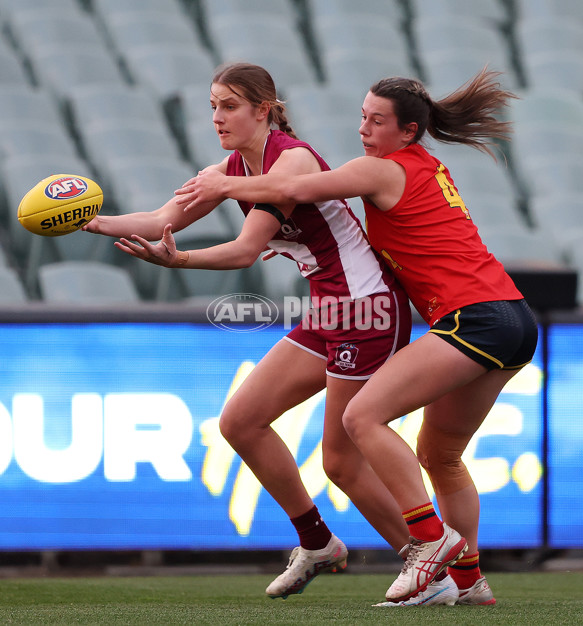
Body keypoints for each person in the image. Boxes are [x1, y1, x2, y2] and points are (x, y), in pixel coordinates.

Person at [176, 67, 539, 607]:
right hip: (513, 319)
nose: (364, 130)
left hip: (475, 318)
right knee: (440, 456)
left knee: (361, 417)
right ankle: (470, 581)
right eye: (362, 118)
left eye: (377, 121)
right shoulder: (420, 165)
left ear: (408, 132)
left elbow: (295, 187)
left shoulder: (382, 169)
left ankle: (428, 543)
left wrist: (224, 183)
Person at [82, 62, 418, 600]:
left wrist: (179, 262)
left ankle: (430, 566)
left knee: (340, 458)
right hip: (331, 309)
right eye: (213, 105)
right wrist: (85, 219)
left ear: (263, 109)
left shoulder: (291, 159)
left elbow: (244, 251)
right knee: (240, 421)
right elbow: (158, 219)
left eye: (229, 105)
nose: (217, 117)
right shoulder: (234, 166)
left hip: (367, 306)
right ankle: (318, 543)